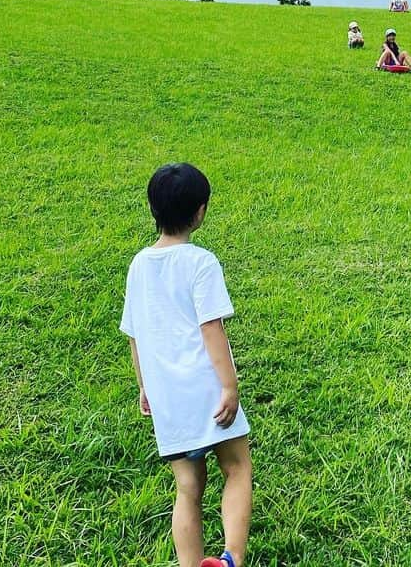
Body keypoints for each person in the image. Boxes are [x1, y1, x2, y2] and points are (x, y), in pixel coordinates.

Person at [121, 163, 252, 567]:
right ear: (200, 212)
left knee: (188, 487)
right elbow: (211, 329)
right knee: (237, 467)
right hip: (207, 388)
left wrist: (145, 387)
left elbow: (135, 335)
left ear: (152, 209)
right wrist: (229, 387)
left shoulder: (139, 265)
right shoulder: (201, 262)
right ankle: (232, 558)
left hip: (168, 398)